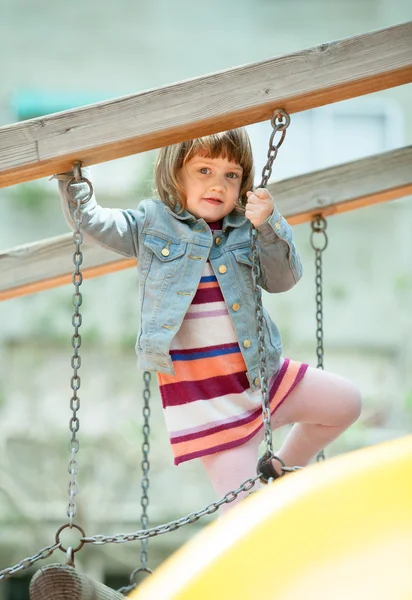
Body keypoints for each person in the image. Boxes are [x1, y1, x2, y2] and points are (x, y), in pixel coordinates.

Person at [56, 128, 362, 510]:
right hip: (208, 404)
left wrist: (268, 224)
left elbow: (283, 278)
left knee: (345, 402)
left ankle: (282, 468)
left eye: (231, 175)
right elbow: (95, 221)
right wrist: (71, 179)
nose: (217, 184)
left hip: (262, 377)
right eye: (204, 170)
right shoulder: (151, 224)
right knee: (243, 514)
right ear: (176, 173)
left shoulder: (246, 230)